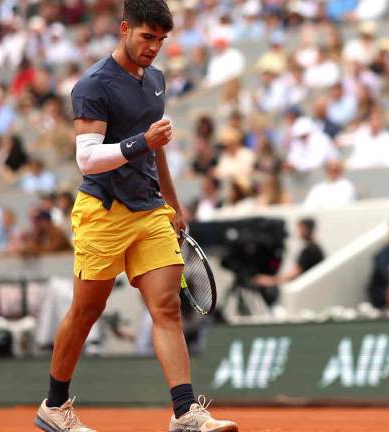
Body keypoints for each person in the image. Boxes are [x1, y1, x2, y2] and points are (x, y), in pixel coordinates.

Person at [34, 2, 237, 432]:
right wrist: (140, 142)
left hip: (149, 209)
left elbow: (156, 147)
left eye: (161, 40)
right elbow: (87, 159)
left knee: (165, 306)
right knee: (86, 310)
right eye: (147, 37)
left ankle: (185, 413)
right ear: (125, 29)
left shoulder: (157, 81)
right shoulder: (92, 85)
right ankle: (54, 406)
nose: (154, 48)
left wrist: (174, 204)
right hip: (102, 212)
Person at [252, 218, 325, 302]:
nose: (298, 232)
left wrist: (270, 280)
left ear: (306, 229)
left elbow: (295, 274)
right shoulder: (316, 248)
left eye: (300, 229)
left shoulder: (309, 250)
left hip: (309, 295)